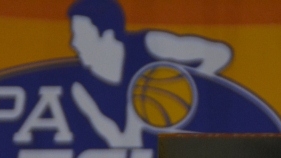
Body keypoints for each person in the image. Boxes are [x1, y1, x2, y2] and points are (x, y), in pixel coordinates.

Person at [67, 0, 232, 147]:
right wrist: (135, 119)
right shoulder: (82, 90)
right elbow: (125, 147)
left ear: (107, 35)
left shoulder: (150, 44)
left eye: (81, 35)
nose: (73, 43)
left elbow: (220, 53)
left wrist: (188, 86)